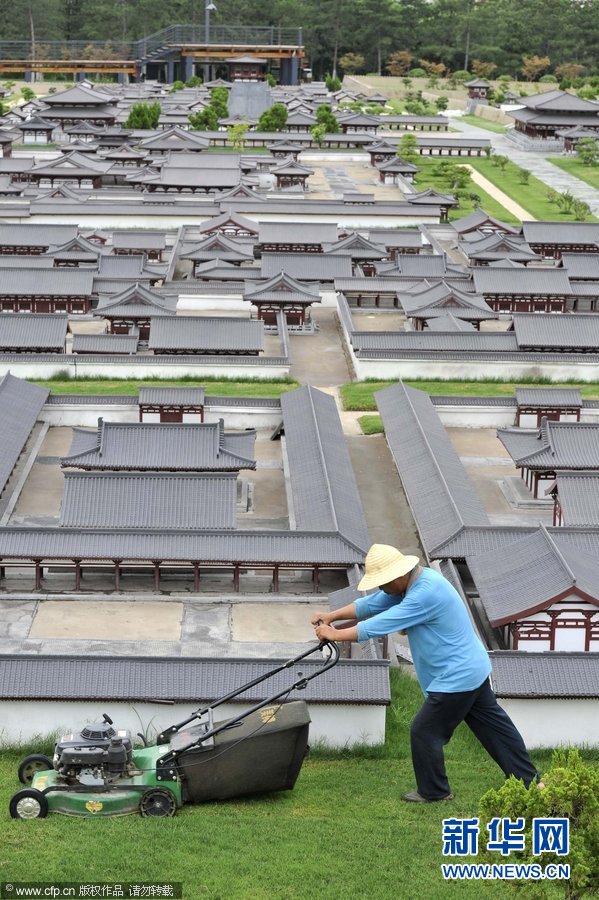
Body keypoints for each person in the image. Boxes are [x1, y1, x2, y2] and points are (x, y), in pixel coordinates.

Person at [312, 543, 540, 803]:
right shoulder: (412, 582)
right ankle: (530, 781)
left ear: (397, 576)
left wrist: (337, 633)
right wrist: (331, 615)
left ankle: (434, 791)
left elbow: (381, 623)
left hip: (456, 677)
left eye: (383, 583)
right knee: (496, 730)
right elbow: (372, 604)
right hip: (471, 668)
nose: (381, 588)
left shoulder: (424, 594)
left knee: (424, 731)